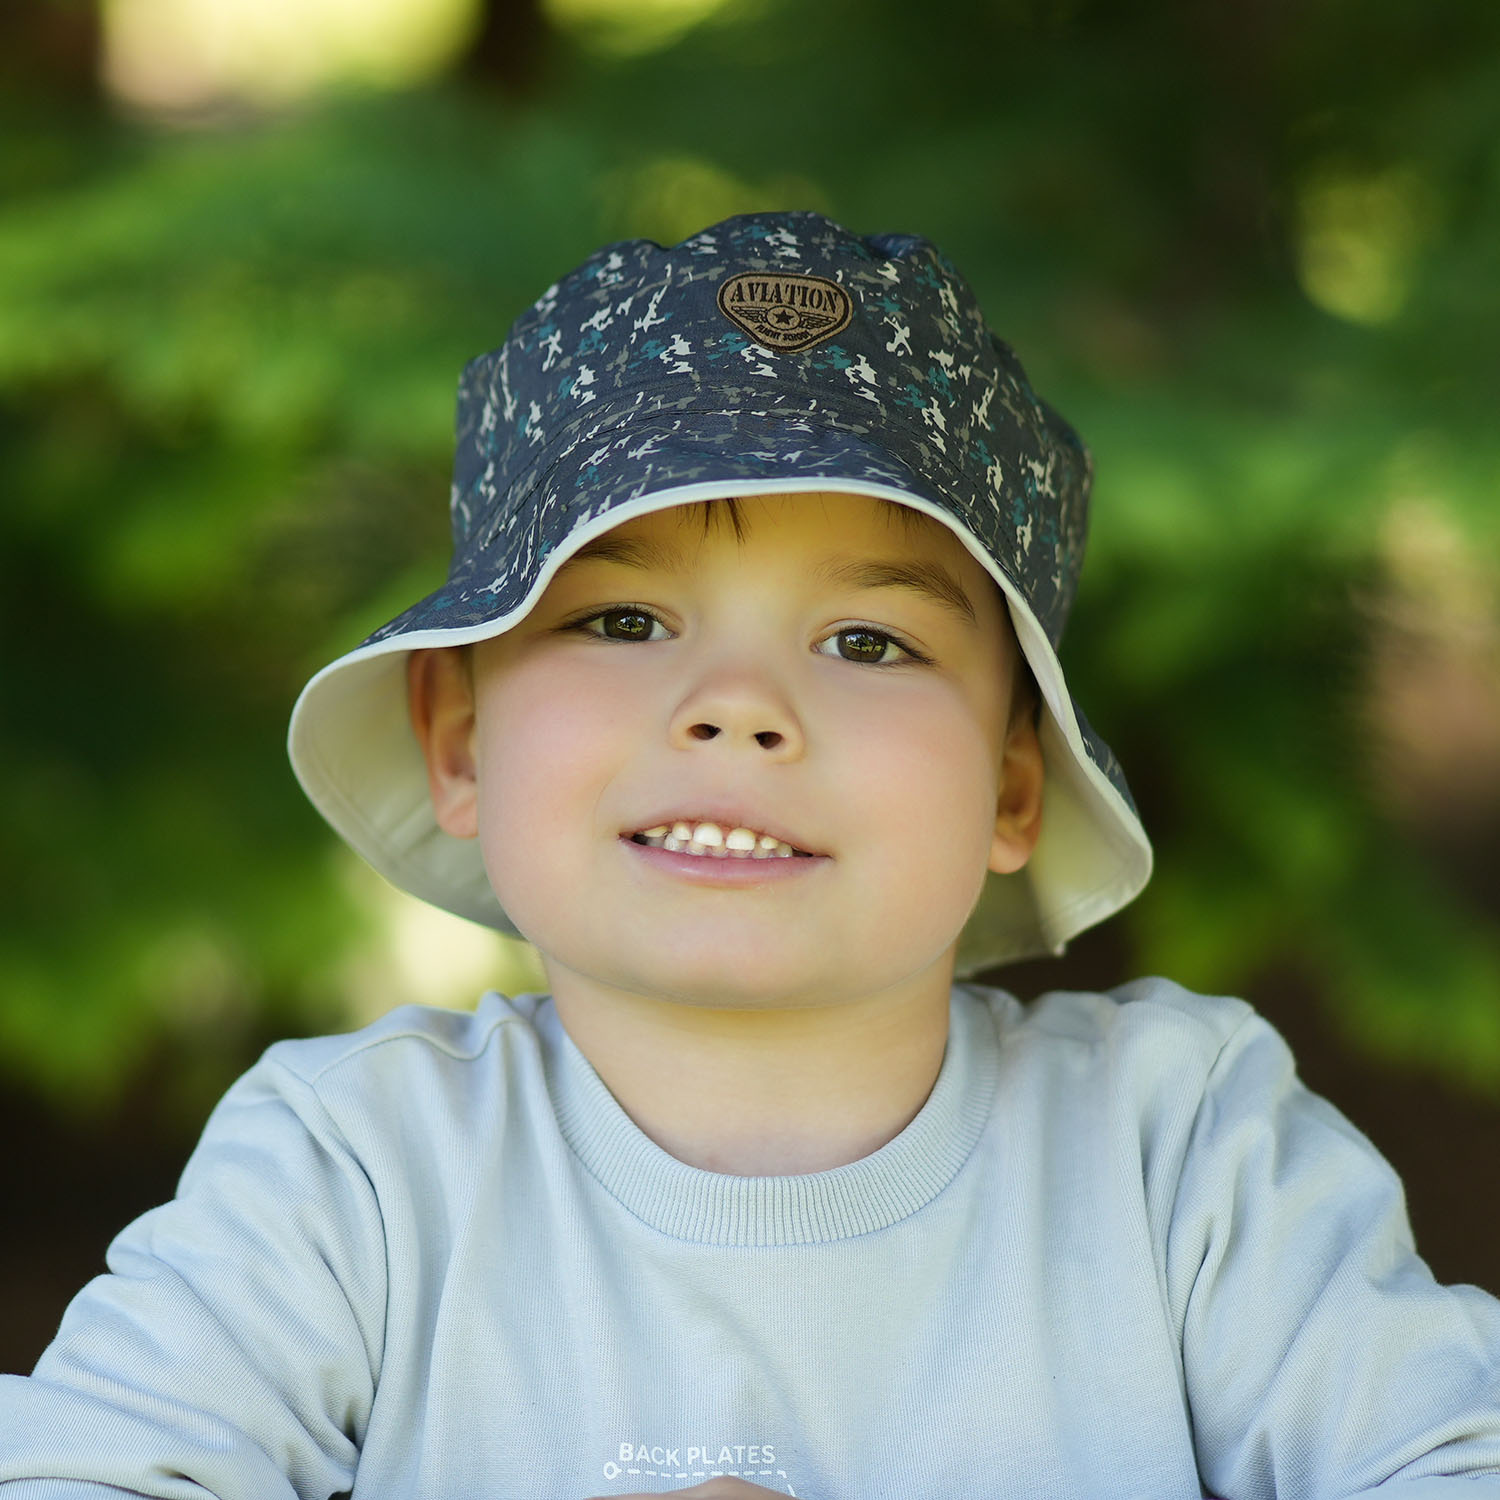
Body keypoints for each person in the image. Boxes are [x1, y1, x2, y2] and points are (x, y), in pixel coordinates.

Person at [2, 209, 1498, 1499]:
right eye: (623, 620)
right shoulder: (355, 1175)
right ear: (460, 742)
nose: (737, 710)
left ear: (1012, 786)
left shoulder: (1183, 1155)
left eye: (868, 639)